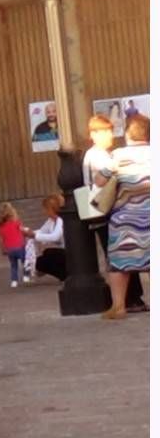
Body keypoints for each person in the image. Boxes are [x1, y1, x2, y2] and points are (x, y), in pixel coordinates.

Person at [82, 115, 145, 311]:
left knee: (122, 252)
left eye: (111, 130)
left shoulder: (103, 155)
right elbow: (105, 182)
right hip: (105, 210)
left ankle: (129, 299)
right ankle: (131, 299)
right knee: (122, 253)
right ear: (93, 134)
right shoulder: (99, 156)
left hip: (100, 210)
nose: (110, 134)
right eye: (105, 131)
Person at [96, 114, 151, 320]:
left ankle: (118, 306)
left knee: (119, 263)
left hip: (125, 218)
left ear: (128, 133)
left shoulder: (117, 155)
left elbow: (100, 180)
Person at [22, 194, 66, 282]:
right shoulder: (51, 221)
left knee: (43, 260)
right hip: (64, 251)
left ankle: (64, 274)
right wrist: (27, 233)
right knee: (47, 253)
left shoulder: (61, 220)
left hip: (70, 253)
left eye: (46, 209)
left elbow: (55, 237)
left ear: (53, 209)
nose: (45, 211)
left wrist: (34, 235)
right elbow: (41, 231)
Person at [0, 203, 27, 288]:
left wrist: (3, 249)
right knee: (25, 262)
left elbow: (1, 240)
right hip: (20, 246)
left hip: (9, 249)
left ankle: (14, 281)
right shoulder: (17, 223)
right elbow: (23, 231)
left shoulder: (1, 227)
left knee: (13, 265)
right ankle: (26, 276)